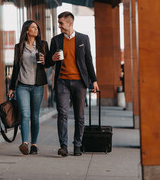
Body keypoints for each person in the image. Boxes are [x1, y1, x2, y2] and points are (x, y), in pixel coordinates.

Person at [48, 11, 99, 157]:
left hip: (79, 83)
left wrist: (94, 80)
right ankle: (63, 146)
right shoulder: (56, 40)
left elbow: (89, 60)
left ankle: (77, 145)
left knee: (79, 115)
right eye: (59, 23)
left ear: (70, 23)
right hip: (62, 82)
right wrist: (52, 58)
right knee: (62, 113)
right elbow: (50, 62)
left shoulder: (83, 38)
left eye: (61, 23)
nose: (59, 26)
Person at [8, 20, 49, 155]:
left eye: (37, 27)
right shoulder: (18, 47)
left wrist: (45, 62)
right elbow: (15, 67)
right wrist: (11, 87)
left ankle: (34, 144)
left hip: (37, 86)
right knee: (25, 114)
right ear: (27, 30)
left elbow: (48, 64)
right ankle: (25, 143)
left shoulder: (43, 45)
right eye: (33, 27)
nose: (36, 29)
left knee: (35, 116)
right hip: (22, 86)